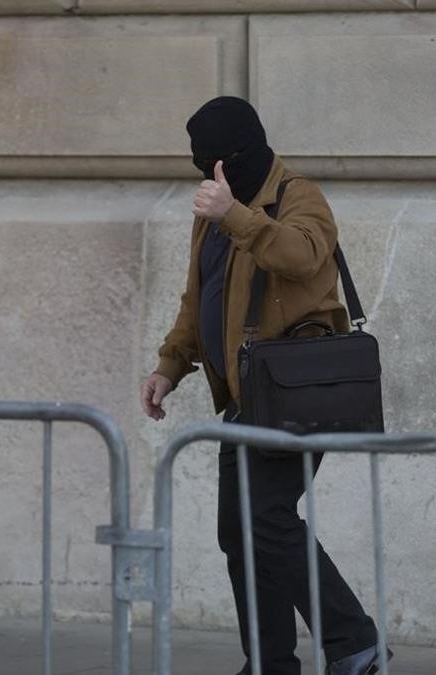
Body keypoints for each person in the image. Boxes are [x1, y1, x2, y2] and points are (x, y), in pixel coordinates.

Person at [141, 96, 387, 675]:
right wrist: (169, 367)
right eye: (202, 167)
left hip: (295, 392)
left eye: (218, 163)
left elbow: (302, 255)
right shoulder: (213, 211)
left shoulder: (297, 194)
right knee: (240, 531)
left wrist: (234, 214)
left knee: (266, 518)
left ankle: (353, 640)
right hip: (248, 396)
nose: (210, 176)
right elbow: (198, 297)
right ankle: (271, 661)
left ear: (246, 153)